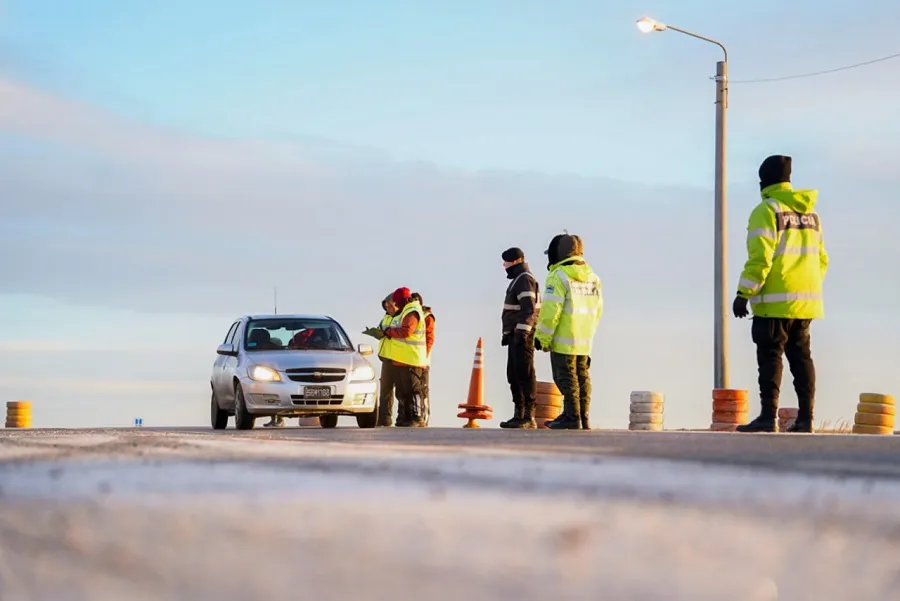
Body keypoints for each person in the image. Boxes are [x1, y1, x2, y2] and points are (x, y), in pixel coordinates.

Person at [733, 155, 829, 434]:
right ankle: (806, 419)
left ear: (763, 181)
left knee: (770, 356)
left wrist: (744, 292)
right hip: (805, 302)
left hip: (774, 301)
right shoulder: (812, 215)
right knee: (802, 359)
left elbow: (760, 259)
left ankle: (767, 416)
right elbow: (822, 259)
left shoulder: (766, 210)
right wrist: (807, 285)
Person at [534, 234, 603, 430]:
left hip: (564, 339)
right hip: (584, 340)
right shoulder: (593, 278)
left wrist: (542, 338)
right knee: (582, 376)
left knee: (565, 377)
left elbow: (550, 311)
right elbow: (598, 310)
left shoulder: (558, 276)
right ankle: (582, 416)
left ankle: (572, 417)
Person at [497, 247, 541, 429]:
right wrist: (508, 334)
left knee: (524, 374)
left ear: (515, 262)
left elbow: (528, 309)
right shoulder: (519, 279)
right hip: (515, 336)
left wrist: (522, 333)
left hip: (522, 337)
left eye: (506, 262)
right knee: (514, 375)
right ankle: (519, 414)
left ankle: (528, 416)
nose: (504, 266)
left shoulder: (524, 280)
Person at [381, 287, 428, 427]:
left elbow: (406, 331)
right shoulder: (404, 311)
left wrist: (389, 332)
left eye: (396, 302)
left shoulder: (412, 311)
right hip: (402, 360)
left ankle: (417, 418)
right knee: (403, 391)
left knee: (414, 390)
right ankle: (406, 418)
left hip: (412, 359)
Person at [375, 294, 400, 427]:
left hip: (399, 358)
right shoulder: (385, 318)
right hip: (386, 359)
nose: (389, 308)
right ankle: (384, 419)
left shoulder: (402, 317)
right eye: (386, 306)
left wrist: (390, 332)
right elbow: (380, 331)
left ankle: (403, 418)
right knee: (385, 391)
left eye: (391, 305)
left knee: (402, 391)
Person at [411, 292, 435, 425]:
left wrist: (424, 357)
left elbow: (430, 339)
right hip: (413, 359)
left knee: (422, 389)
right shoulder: (411, 315)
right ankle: (417, 415)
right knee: (415, 389)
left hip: (423, 360)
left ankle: (424, 418)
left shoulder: (426, 316)